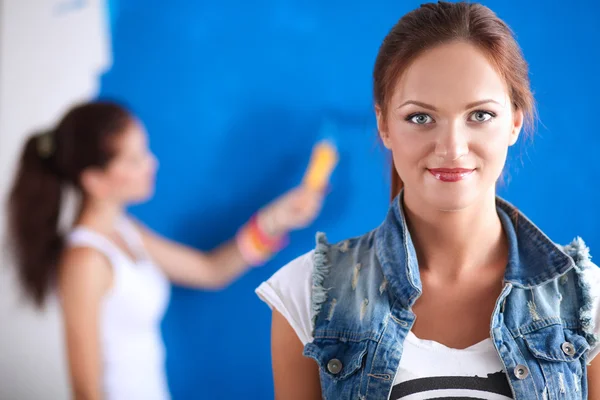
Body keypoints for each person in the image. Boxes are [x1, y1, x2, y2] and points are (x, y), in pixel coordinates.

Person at [256, 2, 600, 399]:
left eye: (480, 115)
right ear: (384, 124)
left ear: (515, 122)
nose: (452, 148)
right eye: (420, 117)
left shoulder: (585, 298)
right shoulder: (307, 296)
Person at [6, 100, 326, 400]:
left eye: (144, 151)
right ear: (94, 180)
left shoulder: (124, 231)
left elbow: (209, 271)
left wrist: (275, 219)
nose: (151, 163)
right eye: (134, 159)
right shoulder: (85, 260)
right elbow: (87, 392)